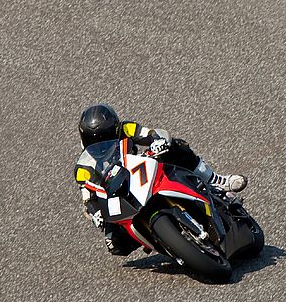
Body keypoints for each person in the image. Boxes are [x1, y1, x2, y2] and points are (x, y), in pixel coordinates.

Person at [75, 104, 248, 255]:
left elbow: (149, 134)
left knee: (176, 146)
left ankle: (215, 180)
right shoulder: (83, 168)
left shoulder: (126, 128)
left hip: (141, 171)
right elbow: (88, 198)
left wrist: (158, 142)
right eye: (94, 140)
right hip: (119, 194)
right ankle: (163, 241)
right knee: (115, 244)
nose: (102, 143)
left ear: (115, 128)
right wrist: (95, 213)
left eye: (107, 136)